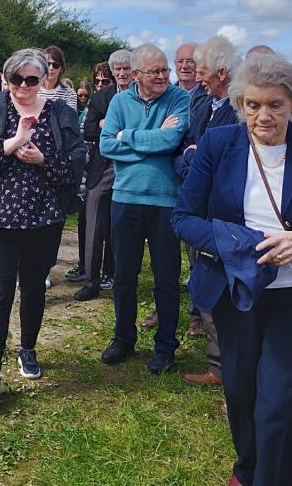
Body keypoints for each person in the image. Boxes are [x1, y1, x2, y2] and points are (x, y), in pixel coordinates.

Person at [171, 54, 292, 486]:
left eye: (275, 105)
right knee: (240, 394)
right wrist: (234, 242)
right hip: (234, 293)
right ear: (240, 103)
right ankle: (247, 469)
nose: (263, 116)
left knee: (276, 405)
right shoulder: (220, 145)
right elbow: (183, 218)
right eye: (253, 105)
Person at [0, 48, 85, 403]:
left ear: (43, 79)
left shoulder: (60, 113)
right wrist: (13, 143)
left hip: (43, 220)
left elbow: (77, 164)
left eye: (32, 79)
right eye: (17, 79)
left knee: (34, 290)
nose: (23, 86)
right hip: (1, 221)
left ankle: (27, 350)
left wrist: (42, 159)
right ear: (7, 78)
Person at [99, 44, 189, 374]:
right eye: (155, 72)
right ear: (136, 75)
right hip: (125, 199)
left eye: (165, 70)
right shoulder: (120, 101)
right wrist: (150, 141)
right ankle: (123, 338)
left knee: (166, 278)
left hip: (165, 202)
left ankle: (165, 346)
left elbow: (172, 141)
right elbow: (106, 145)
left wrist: (129, 137)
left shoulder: (179, 98)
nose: (164, 76)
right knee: (124, 276)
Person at [173, 35, 241, 386]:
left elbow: (229, 162)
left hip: (227, 212)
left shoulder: (242, 108)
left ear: (223, 71)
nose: (197, 78)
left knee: (230, 288)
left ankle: (231, 365)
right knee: (205, 282)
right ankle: (218, 365)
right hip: (198, 206)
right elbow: (185, 147)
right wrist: (191, 159)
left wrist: (196, 158)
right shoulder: (201, 101)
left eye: (202, 71)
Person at [69, 53, 131, 300]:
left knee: (124, 226)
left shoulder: (144, 97)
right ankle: (91, 281)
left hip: (132, 166)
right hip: (102, 166)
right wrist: (112, 127)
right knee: (93, 224)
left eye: (127, 68)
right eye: (118, 68)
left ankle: (118, 277)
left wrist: (112, 127)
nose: (123, 73)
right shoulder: (100, 97)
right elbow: (90, 129)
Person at [39, 45, 78, 112]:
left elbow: (68, 120)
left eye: (55, 65)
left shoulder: (69, 93)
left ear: (61, 68)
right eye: (48, 64)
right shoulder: (32, 90)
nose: (51, 68)